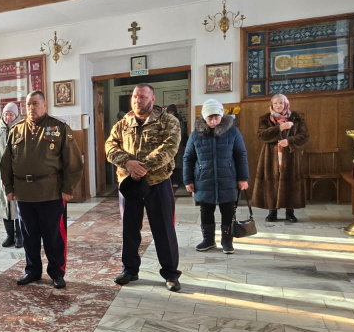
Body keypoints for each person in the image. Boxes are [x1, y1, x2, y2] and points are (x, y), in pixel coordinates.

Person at [0, 91, 82, 289]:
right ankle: (32, 271)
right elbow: (6, 163)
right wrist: (9, 188)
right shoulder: (17, 130)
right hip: (24, 193)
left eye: (35, 103)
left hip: (51, 192)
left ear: (45, 105)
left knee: (54, 236)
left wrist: (68, 187)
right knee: (29, 236)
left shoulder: (59, 127)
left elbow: (73, 161)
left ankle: (57, 272)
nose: (31, 108)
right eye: (28, 104)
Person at [105, 84, 182, 292]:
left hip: (157, 182)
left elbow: (169, 147)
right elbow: (110, 147)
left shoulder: (168, 121)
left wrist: (142, 167)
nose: (138, 100)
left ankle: (171, 274)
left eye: (142, 97)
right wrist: (128, 163)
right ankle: (130, 269)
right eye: (135, 97)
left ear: (152, 99)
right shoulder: (123, 124)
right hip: (129, 184)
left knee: (163, 229)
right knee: (129, 229)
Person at [183, 99, 249, 254]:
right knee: (206, 211)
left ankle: (227, 241)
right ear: (204, 118)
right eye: (209, 118)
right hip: (203, 180)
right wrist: (188, 180)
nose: (213, 122)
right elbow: (188, 158)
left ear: (222, 116)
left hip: (228, 179)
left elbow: (241, 155)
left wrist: (243, 178)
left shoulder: (233, 132)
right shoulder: (195, 135)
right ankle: (208, 240)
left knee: (228, 211)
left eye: (216, 118)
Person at [252, 93, 309, 223]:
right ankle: (272, 211)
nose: (278, 105)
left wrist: (289, 141)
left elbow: (304, 135)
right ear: (272, 104)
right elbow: (261, 135)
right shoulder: (265, 119)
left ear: (286, 104)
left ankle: (290, 212)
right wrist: (280, 128)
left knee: (290, 181)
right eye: (276, 103)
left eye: (281, 103)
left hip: (290, 155)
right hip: (271, 155)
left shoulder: (297, 118)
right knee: (272, 181)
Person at [0, 102, 23, 248]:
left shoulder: (21, 129)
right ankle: (9, 235)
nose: (8, 117)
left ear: (16, 115)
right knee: (4, 206)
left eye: (11, 114)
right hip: (1, 176)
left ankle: (20, 236)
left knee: (16, 207)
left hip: (17, 177)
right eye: (5, 114)